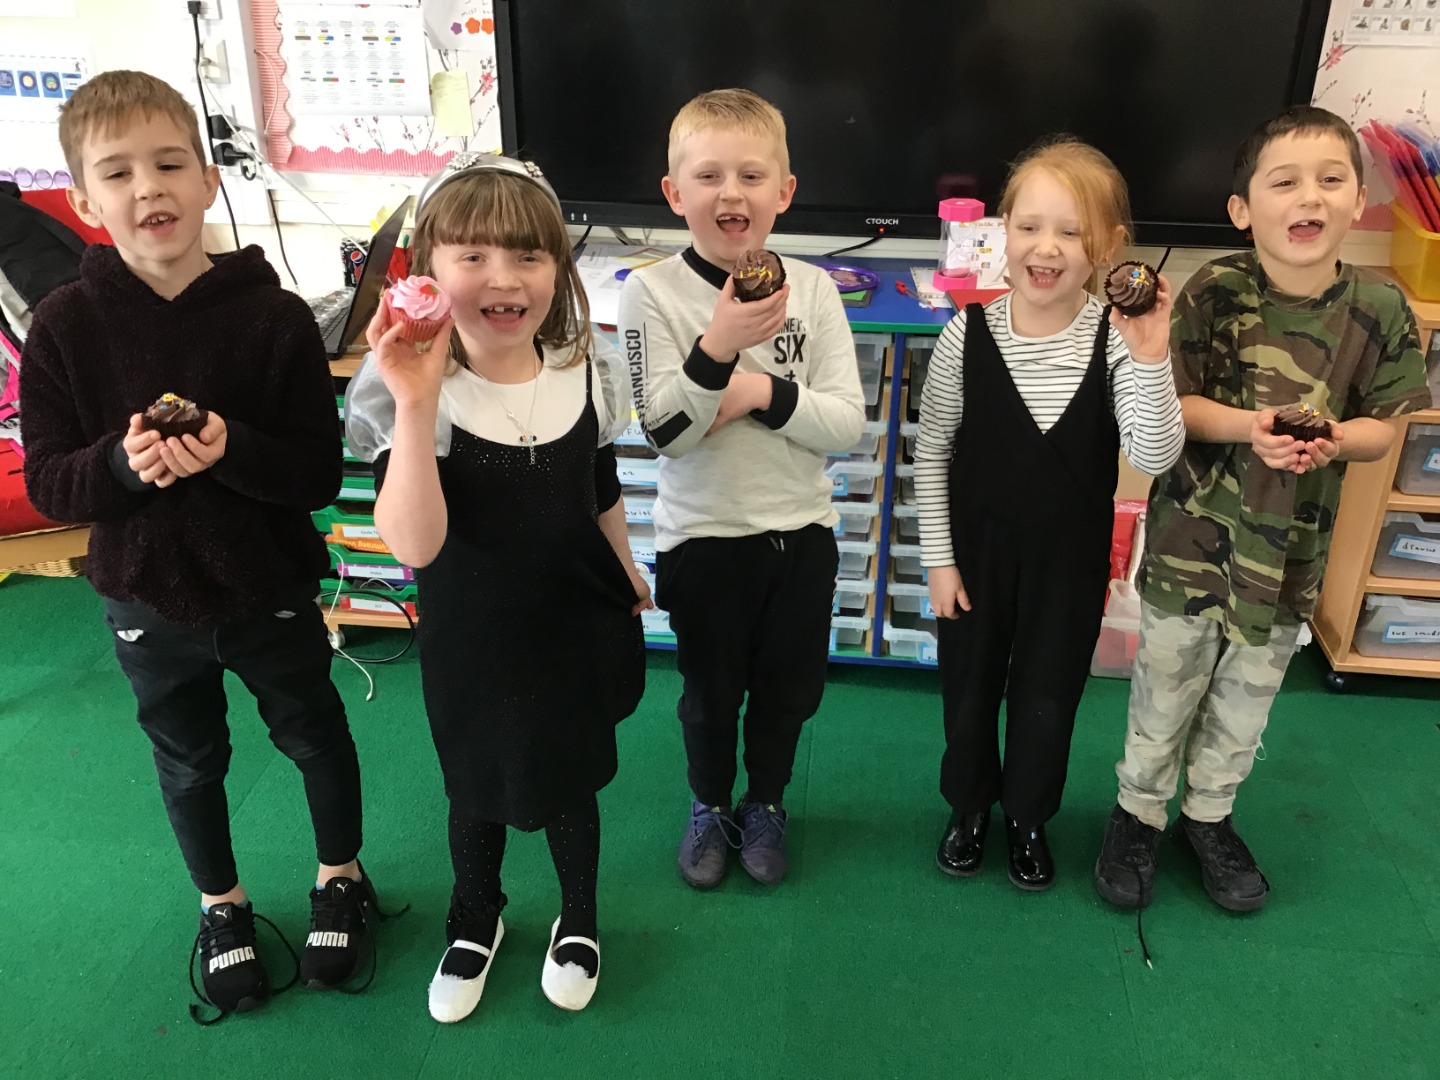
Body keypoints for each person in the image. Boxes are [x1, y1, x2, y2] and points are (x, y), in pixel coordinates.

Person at [20, 70, 387, 1022]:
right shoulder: (64, 326)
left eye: (170, 163)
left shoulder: (274, 317)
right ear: (85, 200)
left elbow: (315, 473)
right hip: (145, 595)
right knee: (187, 760)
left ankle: (341, 878)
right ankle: (221, 906)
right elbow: (52, 480)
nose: (149, 187)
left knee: (314, 734)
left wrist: (233, 451)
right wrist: (123, 466)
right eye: (118, 172)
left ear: (209, 178)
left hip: (267, 584)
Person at [1093, 105, 1431, 914]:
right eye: (1285, 182)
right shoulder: (1216, 290)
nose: (1309, 196)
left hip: (1289, 560)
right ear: (1243, 210)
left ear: (1359, 202)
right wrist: (1255, 427)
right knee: (1164, 691)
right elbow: (1177, 407)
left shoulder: (1380, 309)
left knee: (1246, 700)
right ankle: (1138, 814)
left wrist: (1334, 439)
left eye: (1331, 179)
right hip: (1191, 546)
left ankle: (1209, 815)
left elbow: (1384, 431)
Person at [346, 153, 648, 1021]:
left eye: (527, 255)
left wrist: (626, 564)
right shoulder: (418, 394)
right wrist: (414, 401)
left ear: (558, 268)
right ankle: (476, 914)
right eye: (472, 255)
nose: (503, 278)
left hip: (573, 625)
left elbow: (599, 484)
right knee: (474, 786)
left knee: (571, 782)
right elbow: (415, 543)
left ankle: (579, 916)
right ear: (428, 271)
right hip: (472, 639)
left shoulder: (586, 367)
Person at [915, 136, 1185, 891]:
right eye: (1030, 225)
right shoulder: (965, 333)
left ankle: (1028, 816)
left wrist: (1152, 353)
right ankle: (970, 805)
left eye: (1071, 231)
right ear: (1002, 230)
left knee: (1047, 696)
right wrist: (938, 560)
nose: (1047, 247)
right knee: (969, 691)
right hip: (975, 558)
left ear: (1109, 246)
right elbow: (931, 450)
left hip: (1068, 564)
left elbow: (1155, 452)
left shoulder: (1117, 341)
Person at [619, 89, 864, 889]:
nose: (732, 193)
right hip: (703, 537)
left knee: (788, 694)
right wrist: (719, 344)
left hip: (800, 535)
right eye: (709, 176)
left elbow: (844, 423)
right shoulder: (650, 293)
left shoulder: (815, 290)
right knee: (709, 695)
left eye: (752, 176)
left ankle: (766, 803)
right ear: (674, 192)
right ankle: (709, 803)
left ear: (784, 192)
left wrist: (756, 392)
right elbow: (666, 431)